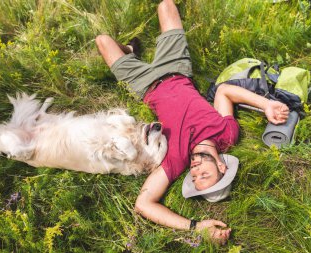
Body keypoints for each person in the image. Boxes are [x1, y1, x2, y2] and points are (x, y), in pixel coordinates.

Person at [95, 0, 289, 244]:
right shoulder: (227, 135)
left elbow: (143, 204)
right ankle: (132, 53)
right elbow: (225, 92)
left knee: (102, 40)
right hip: (176, 68)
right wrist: (266, 105)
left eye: (194, 178)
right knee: (166, 5)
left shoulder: (176, 158)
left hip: (145, 84)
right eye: (204, 176)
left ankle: (130, 54)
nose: (195, 172)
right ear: (222, 167)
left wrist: (196, 227)